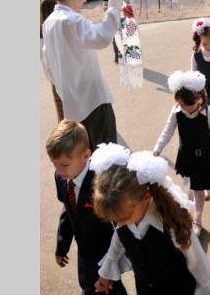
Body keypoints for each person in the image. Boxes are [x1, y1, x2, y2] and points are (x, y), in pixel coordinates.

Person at [92, 148, 210, 295]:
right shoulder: (124, 219)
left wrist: (206, 291)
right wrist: (105, 273)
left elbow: (199, 265)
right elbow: (117, 243)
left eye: (123, 219)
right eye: (115, 220)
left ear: (146, 197)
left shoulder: (171, 223)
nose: (118, 225)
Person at [42, 0, 129, 150]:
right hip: (93, 100)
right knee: (107, 154)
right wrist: (116, 2)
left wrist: (64, 89)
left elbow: (47, 65)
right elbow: (102, 37)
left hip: (72, 103)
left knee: (86, 155)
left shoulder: (48, 22)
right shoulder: (72, 20)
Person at [45, 121, 127, 295]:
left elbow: (117, 225)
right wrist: (62, 245)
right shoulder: (61, 178)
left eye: (64, 164)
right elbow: (68, 210)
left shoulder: (100, 183)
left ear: (86, 155)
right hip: (85, 254)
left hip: (106, 254)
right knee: (90, 286)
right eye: (54, 163)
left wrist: (111, 264)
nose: (59, 170)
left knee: (109, 289)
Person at [153, 71, 210, 236]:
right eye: (180, 104)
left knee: (199, 188)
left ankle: (197, 221)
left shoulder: (208, 112)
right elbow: (167, 131)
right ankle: (203, 196)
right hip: (187, 155)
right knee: (198, 187)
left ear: (199, 99)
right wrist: (158, 148)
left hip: (205, 155)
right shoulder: (176, 111)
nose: (182, 108)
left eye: (186, 105)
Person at [40, 0, 64, 122]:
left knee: (63, 115)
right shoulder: (58, 27)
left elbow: (45, 65)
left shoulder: (44, 30)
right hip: (66, 79)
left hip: (56, 80)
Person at [102, 0, 122, 64]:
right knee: (115, 38)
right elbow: (104, 6)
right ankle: (117, 56)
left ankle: (126, 55)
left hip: (122, 16)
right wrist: (108, 9)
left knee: (125, 36)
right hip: (113, 18)